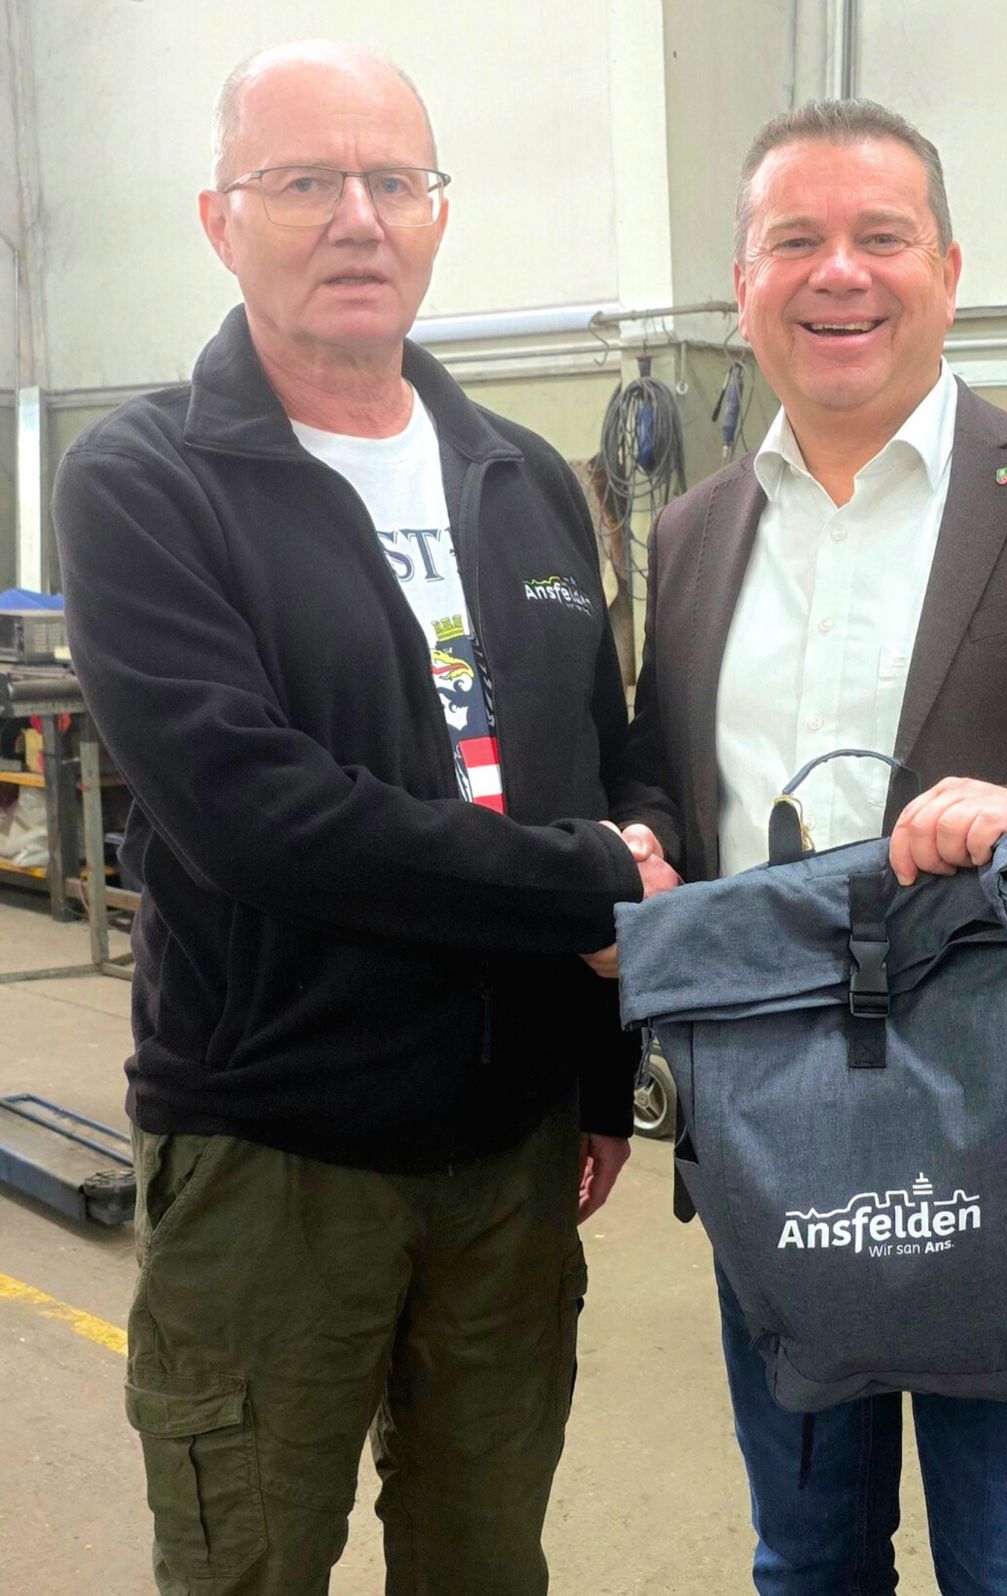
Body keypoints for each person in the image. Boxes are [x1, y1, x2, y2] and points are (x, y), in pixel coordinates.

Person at [610, 99, 1007, 1595]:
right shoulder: (700, 531)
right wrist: (633, 853)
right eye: (796, 239)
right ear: (743, 286)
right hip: (771, 1136)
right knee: (805, 1557)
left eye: (879, 236)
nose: (838, 272)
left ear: (948, 270)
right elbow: (666, 778)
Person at [53, 40, 675, 1596]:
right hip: (280, 1155)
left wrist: (600, 1074)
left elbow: (609, 766)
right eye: (304, 180)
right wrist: (587, 891)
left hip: (511, 1153)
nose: (356, 217)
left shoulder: (521, 474)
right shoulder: (145, 479)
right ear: (219, 218)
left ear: (437, 214)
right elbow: (256, 814)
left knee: (485, 1559)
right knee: (249, 1563)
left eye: (393, 179)